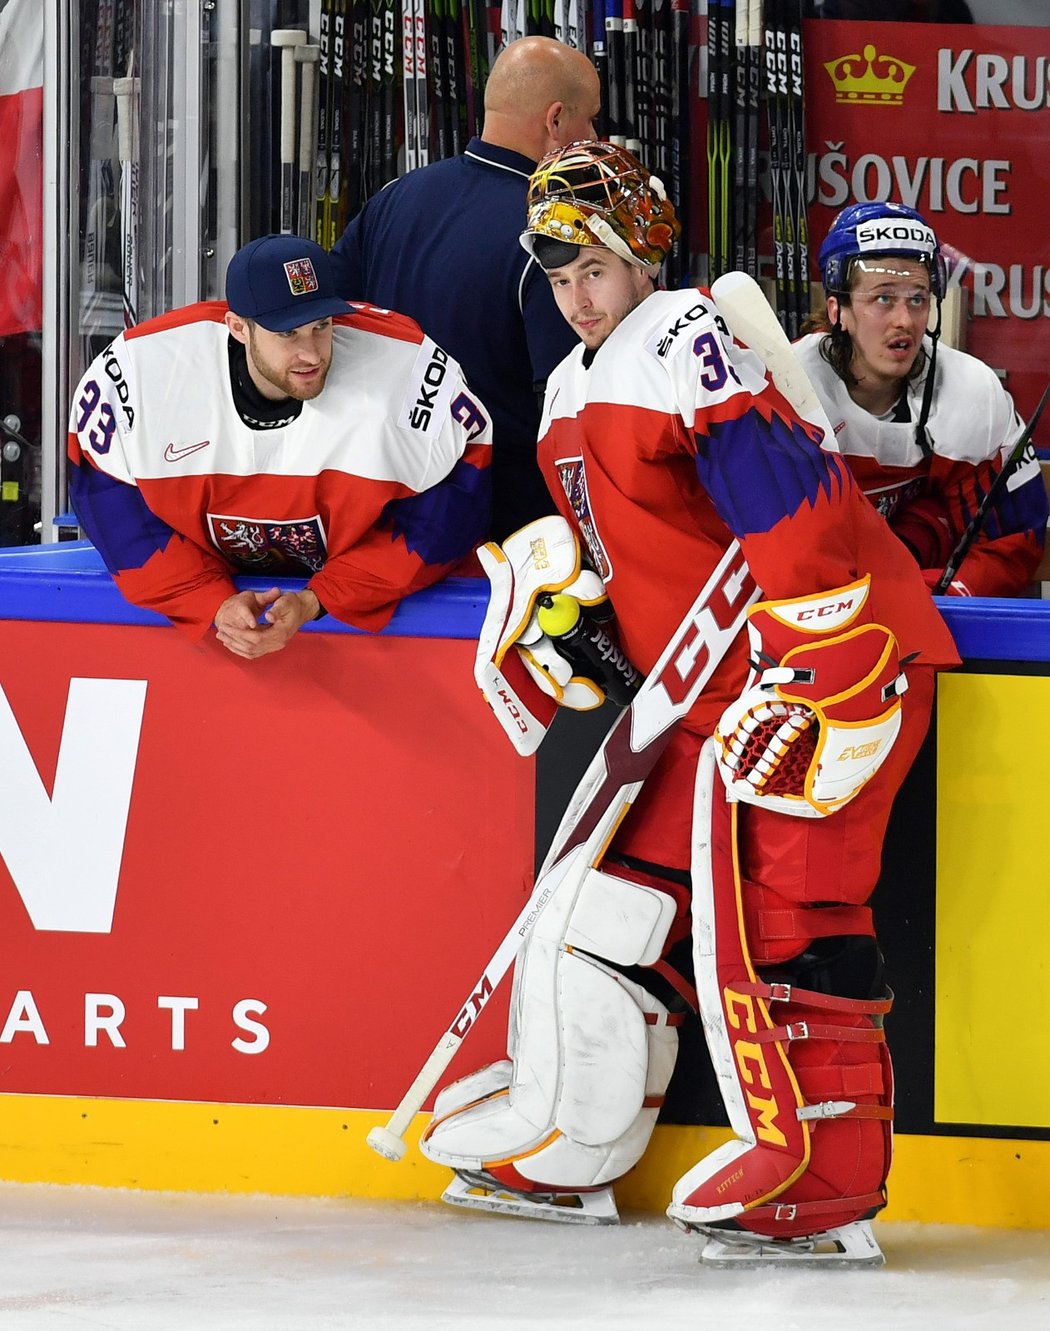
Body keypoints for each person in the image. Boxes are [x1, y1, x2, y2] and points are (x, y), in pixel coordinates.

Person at [415, 142, 960, 1265]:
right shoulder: (570, 383)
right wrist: (588, 631)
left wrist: (823, 671)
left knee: (790, 917)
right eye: (558, 272)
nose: (575, 292)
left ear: (640, 258)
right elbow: (654, 558)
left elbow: (793, 502)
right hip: (707, 699)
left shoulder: (682, 336)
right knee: (612, 903)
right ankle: (578, 1137)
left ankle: (824, 1178)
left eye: (594, 267)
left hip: (831, 664)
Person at [67, 234, 491, 659]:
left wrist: (320, 598)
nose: (311, 353)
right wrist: (206, 599)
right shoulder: (145, 371)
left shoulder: (406, 372)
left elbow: (454, 502)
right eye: (287, 332)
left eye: (321, 325)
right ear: (238, 328)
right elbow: (107, 493)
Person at [328, 36, 601, 543]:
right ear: (556, 120)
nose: (594, 135)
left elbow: (325, 325)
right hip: (514, 532)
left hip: (385, 514)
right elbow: (569, 409)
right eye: (590, 120)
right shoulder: (552, 233)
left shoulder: (394, 199)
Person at [795, 202, 1047, 597]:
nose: (905, 320)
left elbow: (1009, 546)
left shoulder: (971, 392)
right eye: (883, 298)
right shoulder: (787, 391)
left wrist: (918, 596)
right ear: (837, 309)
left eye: (918, 298)